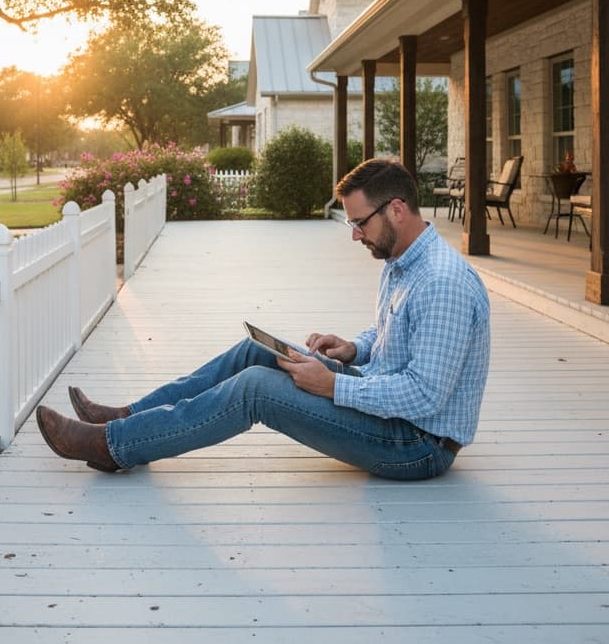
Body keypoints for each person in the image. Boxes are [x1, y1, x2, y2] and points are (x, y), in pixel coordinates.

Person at [36, 158, 490, 480]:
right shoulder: (403, 259)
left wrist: (332, 384)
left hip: (415, 445)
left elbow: (425, 395)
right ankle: (130, 417)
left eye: (360, 223)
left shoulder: (441, 282)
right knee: (257, 350)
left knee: (257, 389)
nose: (354, 235)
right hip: (382, 406)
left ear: (396, 208)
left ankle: (111, 446)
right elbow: (398, 335)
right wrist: (355, 348)